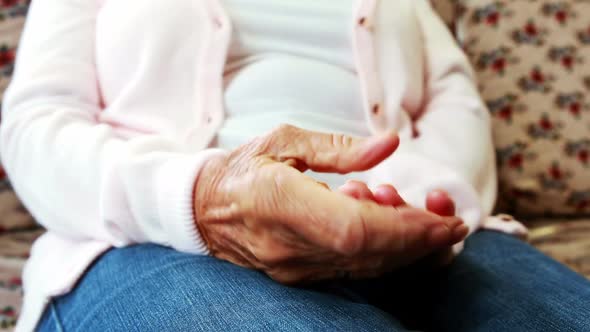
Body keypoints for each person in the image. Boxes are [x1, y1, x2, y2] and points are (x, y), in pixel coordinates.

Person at [2, 0, 588, 331]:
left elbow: (455, 103)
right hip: (155, 243)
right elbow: (35, 126)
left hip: (430, 240)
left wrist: (413, 209)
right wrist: (202, 199)